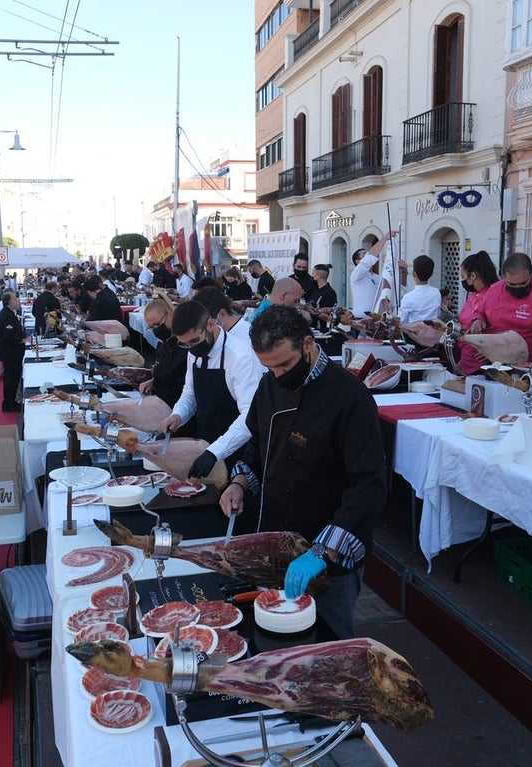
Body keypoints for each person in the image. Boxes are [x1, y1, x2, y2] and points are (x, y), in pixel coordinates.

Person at [219, 306, 385, 639]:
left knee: (328, 643)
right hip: (275, 540)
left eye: (284, 364)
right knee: (274, 639)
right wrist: (239, 481)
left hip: (328, 551)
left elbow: (369, 485)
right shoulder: (269, 386)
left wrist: (322, 552)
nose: (278, 375)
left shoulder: (349, 398)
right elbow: (259, 446)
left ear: (308, 344)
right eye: (268, 367)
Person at [160, 300, 263, 476]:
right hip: (205, 442)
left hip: (238, 450)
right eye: (184, 344)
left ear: (210, 323)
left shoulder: (240, 357)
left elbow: (250, 416)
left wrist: (215, 452)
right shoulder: (194, 351)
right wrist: (178, 415)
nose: (191, 348)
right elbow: (190, 392)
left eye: (194, 341)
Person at [451, 250, 499, 373]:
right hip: (466, 358)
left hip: (484, 365)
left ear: (472, 276)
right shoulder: (472, 294)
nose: (463, 281)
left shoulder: (493, 295)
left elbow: (501, 327)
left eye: (463, 277)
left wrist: (494, 349)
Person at [349, 232, 396, 317]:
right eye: (365, 254)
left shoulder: (376, 277)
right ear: (358, 261)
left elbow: (390, 286)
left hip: (374, 318)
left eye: (368, 253)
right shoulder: (356, 275)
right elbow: (368, 260)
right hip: (359, 318)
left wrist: (402, 272)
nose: (368, 255)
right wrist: (384, 239)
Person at [0, 291, 27, 413]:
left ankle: (11, 401)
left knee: (12, 378)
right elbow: (9, 335)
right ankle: (9, 403)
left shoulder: (8, 313)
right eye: (14, 299)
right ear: (8, 302)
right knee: (11, 379)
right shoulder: (7, 315)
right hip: (10, 353)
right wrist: (21, 340)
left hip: (10, 352)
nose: (17, 300)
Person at [398, 255, 442, 324]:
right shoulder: (436, 293)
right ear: (431, 273)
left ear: (414, 273)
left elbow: (401, 321)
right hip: (433, 333)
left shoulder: (408, 298)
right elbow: (438, 314)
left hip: (413, 334)